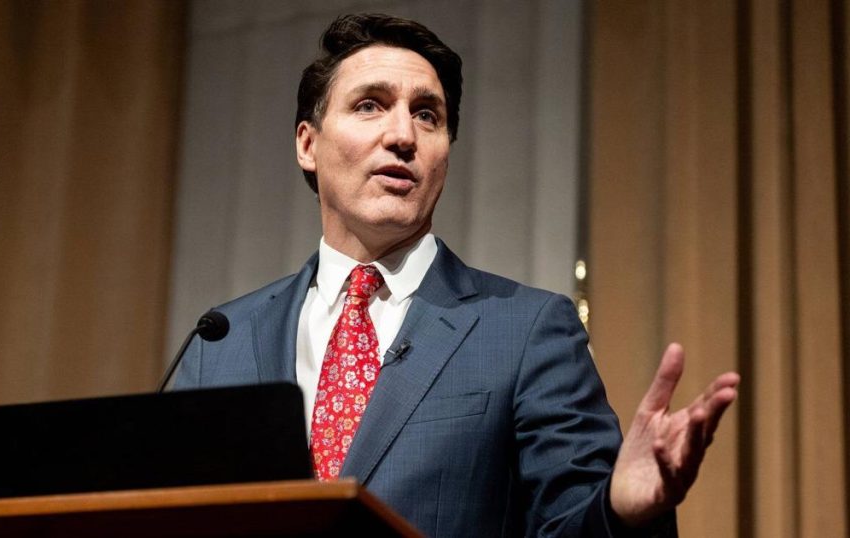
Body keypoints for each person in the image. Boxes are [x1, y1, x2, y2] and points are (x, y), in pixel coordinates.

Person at [173, 13, 739, 537]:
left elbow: (570, 520)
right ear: (307, 144)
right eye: (370, 105)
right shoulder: (220, 342)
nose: (403, 136)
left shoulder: (527, 331)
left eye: (428, 115)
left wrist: (623, 511)